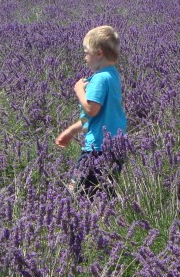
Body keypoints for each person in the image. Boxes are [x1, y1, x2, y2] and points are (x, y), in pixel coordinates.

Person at [54, 25, 127, 194]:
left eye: (86, 52)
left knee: (76, 193)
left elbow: (91, 110)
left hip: (96, 150)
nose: (85, 57)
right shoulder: (113, 76)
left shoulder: (99, 80)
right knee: (105, 193)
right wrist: (72, 131)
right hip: (116, 147)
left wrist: (79, 90)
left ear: (99, 53)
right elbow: (96, 116)